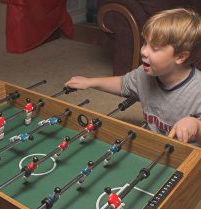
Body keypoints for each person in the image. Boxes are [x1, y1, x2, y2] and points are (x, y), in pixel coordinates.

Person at [65, 8, 201, 145]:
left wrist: (196, 125)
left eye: (154, 48)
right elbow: (123, 84)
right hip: (152, 146)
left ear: (181, 56)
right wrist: (90, 82)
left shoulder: (198, 89)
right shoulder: (144, 73)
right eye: (145, 43)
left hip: (187, 157)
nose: (143, 51)